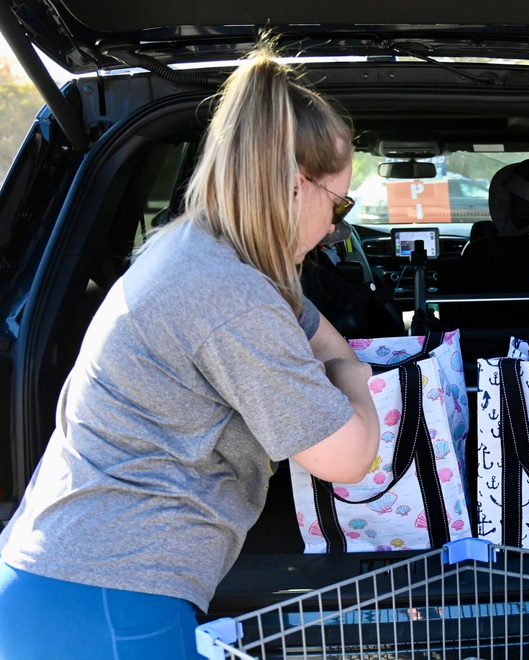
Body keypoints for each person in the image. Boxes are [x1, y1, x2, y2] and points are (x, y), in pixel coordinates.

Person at [0, 42, 381, 659]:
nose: (338, 225)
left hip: (67, 578)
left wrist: (333, 358)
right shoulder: (233, 297)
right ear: (292, 186)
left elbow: (314, 328)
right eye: (340, 202)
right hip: (109, 599)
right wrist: (354, 377)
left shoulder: (199, 250)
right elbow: (348, 456)